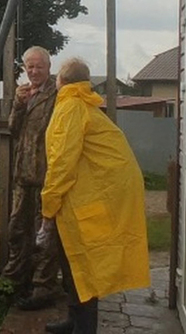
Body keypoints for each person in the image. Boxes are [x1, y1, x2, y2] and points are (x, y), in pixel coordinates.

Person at [40, 58, 149, 334]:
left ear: (61, 81)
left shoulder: (71, 107)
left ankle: (84, 329)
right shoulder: (82, 104)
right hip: (88, 197)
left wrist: (47, 209)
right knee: (75, 264)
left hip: (85, 200)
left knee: (84, 267)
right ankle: (74, 320)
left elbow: (61, 164)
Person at [1, 46, 61, 310]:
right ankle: (15, 280)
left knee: (44, 237)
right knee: (17, 230)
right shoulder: (24, 94)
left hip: (47, 178)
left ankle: (43, 287)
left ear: (49, 67)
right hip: (23, 176)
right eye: (30, 67)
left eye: (39, 66)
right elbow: (13, 129)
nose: (34, 71)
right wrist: (18, 104)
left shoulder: (57, 95)